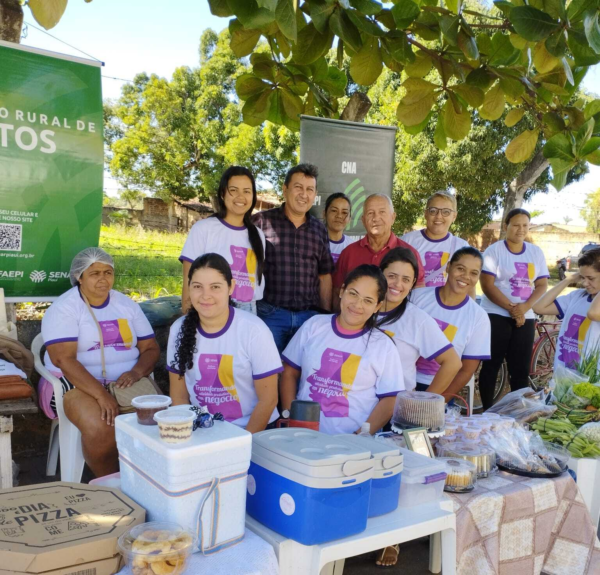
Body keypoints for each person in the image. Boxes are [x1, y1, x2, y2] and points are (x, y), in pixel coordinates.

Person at [41, 248, 160, 477]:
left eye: (108, 272)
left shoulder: (126, 305)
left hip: (127, 381)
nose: (103, 279)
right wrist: (101, 394)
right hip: (74, 385)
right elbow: (63, 359)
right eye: (94, 273)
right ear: (80, 277)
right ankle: (112, 482)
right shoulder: (65, 308)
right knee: (102, 427)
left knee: (159, 418)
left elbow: (151, 348)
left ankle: (147, 479)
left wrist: (136, 373)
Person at [280, 264, 404, 435]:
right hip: (302, 435)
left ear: (377, 306)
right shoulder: (314, 325)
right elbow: (289, 372)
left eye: (368, 300)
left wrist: (359, 436)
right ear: (341, 291)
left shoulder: (383, 346)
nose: (357, 305)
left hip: (351, 445)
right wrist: (291, 418)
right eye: (353, 293)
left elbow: (390, 399)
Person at [167, 253, 282, 432]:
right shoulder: (178, 329)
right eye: (197, 286)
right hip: (203, 431)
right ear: (188, 287)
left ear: (230, 287)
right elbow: (179, 397)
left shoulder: (254, 330)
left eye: (215, 287)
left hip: (252, 430)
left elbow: (268, 400)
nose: (206, 296)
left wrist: (240, 444)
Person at [251, 164, 334, 353]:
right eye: (298, 187)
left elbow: (324, 275)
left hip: (308, 318)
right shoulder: (261, 223)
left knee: (302, 374)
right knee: (268, 372)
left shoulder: (319, 230)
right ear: (285, 189)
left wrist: (325, 315)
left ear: (315, 194)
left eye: (309, 189)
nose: (304, 194)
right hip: (270, 315)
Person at [478, 209, 549, 410]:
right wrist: (513, 309)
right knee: (491, 366)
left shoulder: (535, 252)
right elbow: (487, 285)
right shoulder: (494, 251)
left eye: (525, 225)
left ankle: (519, 414)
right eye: (516, 225)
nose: (521, 229)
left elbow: (542, 285)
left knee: (520, 370)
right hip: (496, 314)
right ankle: (487, 411)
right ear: (506, 226)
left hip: (525, 316)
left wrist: (524, 308)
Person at [180, 166, 266, 315]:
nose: (240, 196)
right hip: (211, 306)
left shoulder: (258, 235)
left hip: (248, 310)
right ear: (222, 193)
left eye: (247, 191)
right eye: (233, 190)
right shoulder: (203, 229)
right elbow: (189, 280)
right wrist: (188, 318)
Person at [411, 247, 491, 401]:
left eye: (474, 273)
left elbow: (466, 371)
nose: (466, 276)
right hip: (403, 383)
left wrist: (438, 401)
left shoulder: (478, 317)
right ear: (448, 267)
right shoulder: (417, 297)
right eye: (460, 268)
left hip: (442, 390)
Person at [378, 248, 461, 394]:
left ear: (413, 283)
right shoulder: (362, 309)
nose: (398, 284)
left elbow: (452, 362)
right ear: (380, 274)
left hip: (395, 408)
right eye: (392, 276)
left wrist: (425, 402)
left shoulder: (417, 320)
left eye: (406, 279)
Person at [333, 194, 424, 310]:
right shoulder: (349, 253)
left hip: (394, 323)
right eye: (370, 213)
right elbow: (337, 292)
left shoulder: (410, 253)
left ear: (393, 217)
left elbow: (419, 295)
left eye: (382, 212)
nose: (376, 218)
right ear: (363, 220)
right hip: (355, 322)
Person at [533, 248, 600, 373]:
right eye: (582, 277)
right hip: (564, 374)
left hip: (591, 381)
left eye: (591, 278)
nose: (585, 283)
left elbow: (593, 313)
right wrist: (568, 280)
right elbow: (539, 307)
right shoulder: (577, 296)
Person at [401, 191, 470, 289]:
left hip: (446, 304)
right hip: (412, 303)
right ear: (425, 214)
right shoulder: (407, 241)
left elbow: (468, 286)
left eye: (446, 212)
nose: (438, 216)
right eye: (433, 210)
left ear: (454, 216)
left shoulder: (462, 247)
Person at [324, 192, 356, 265]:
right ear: (324, 214)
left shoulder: (352, 246)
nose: (339, 216)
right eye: (334, 211)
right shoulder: (315, 242)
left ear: (349, 218)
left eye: (344, 212)